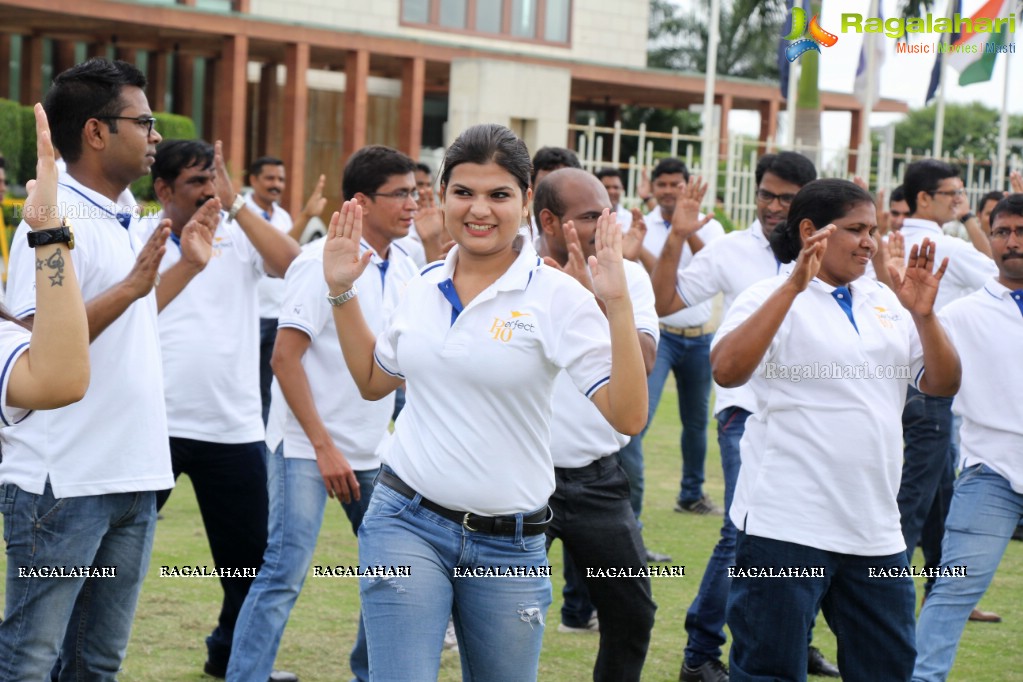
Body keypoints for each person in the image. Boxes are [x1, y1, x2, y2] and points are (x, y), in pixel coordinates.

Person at [322, 123, 647, 681]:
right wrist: (341, 291)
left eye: (499, 195)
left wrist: (616, 307)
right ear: (442, 196)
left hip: (510, 542)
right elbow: (375, 382)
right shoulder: (421, 285)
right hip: (406, 518)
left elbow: (628, 415)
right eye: (463, 192)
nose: (479, 210)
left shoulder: (558, 296)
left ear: (525, 202)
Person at [0, 58, 214, 680]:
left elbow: (129, 321)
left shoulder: (118, 217)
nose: (156, 136)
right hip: (63, 482)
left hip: (129, 474)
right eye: (143, 122)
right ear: (96, 132)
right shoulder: (51, 217)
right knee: (31, 658)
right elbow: (45, 347)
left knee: (97, 662)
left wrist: (181, 271)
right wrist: (132, 288)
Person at [712, 178, 961, 682]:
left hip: (873, 526)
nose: (870, 241)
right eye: (855, 229)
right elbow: (727, 370)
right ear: (811, 231)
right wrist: (791, 288)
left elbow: (943, 383)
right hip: (786, 524)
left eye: (873, 229)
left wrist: (925, 315)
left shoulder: (885, 301)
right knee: (770, 670)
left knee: (887, 667)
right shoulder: (767, 295)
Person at [227, 145, 420, 682]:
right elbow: (284, 360)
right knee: (283, 574)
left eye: (414, 192)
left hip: (373, 450)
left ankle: (369, 672)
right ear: (361, 201)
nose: (412, 203)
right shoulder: (317, 263)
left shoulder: (406, 265)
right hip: (306, 450)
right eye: (400, 193)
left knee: (392, 571)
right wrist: (323, 447)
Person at [650, 152, 838, 681]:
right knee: (741, 530)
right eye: (767, 194)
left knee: (805, 533)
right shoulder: (730, 250)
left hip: (812, 416)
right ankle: (701, 652)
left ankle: (794, 643)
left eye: (787, 197)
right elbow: (666, 301)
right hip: (747, 410)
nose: (774, 206)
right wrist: (676, 235)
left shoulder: (835, 250)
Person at [145, 139, 300, 679]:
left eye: (214, 180)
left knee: (248, 564)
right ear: (163, 190)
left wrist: (237, 206)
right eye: (196, 183)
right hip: (152, 424)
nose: (209, 192)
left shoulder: (239, 233)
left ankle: (231, 652)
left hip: (233, 429)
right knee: (111, 557)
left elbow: (293, 265)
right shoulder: (143, 233)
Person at [535, 167, 658, 679]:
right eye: (589, 216)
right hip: (523, 481)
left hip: (597, 481)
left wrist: (599, 299)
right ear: (548, 221)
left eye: (607, 212)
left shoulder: (627, 276)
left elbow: (645, 361)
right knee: (503, 614)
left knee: (631, 613)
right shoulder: (519, 277)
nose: (604, 225)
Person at [912, 194, 1023, 681]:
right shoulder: (960, 313)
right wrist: (921, 314)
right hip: (992, 470)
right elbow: (919, 373)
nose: (1012, 242)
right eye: (1002, 232)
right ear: (989, 237)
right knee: (953, 588)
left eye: (1022, 231)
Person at [896, 159, 997, 623]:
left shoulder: (893, 241)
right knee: (913, 505)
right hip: (931, 392)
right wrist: (971, 220)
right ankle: (884, 596)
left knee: (939, 502)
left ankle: (941, 592)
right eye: (953, 195)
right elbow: (1003, 273)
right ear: (924, 199)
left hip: (910, 387)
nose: (959, 202)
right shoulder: (940, 243)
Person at [620, 157, 724, 534]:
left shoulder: (710, 228)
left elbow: (710, 265)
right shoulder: (638, 226)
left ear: (685, 186)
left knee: (697, 423)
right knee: (637, 420)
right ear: (653, 188)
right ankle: (627, 515)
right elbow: (655, 275)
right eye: (661, 185)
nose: (668, 191)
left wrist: (686, 229)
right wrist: (666, 241)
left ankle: (691, 495)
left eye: (675, 184)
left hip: (699, 337)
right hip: (659, 335)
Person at [247, 157, 327, 424]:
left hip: (277, 315)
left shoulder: (281, 216)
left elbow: (288, 256)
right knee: (249, 386)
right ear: (253, 180)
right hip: (252, 317)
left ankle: (261, 438)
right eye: (270, 178)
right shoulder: (241, 213)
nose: (276, 185)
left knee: (269, 387)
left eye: (280, 179)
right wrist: (306, 216)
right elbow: (277, 255)